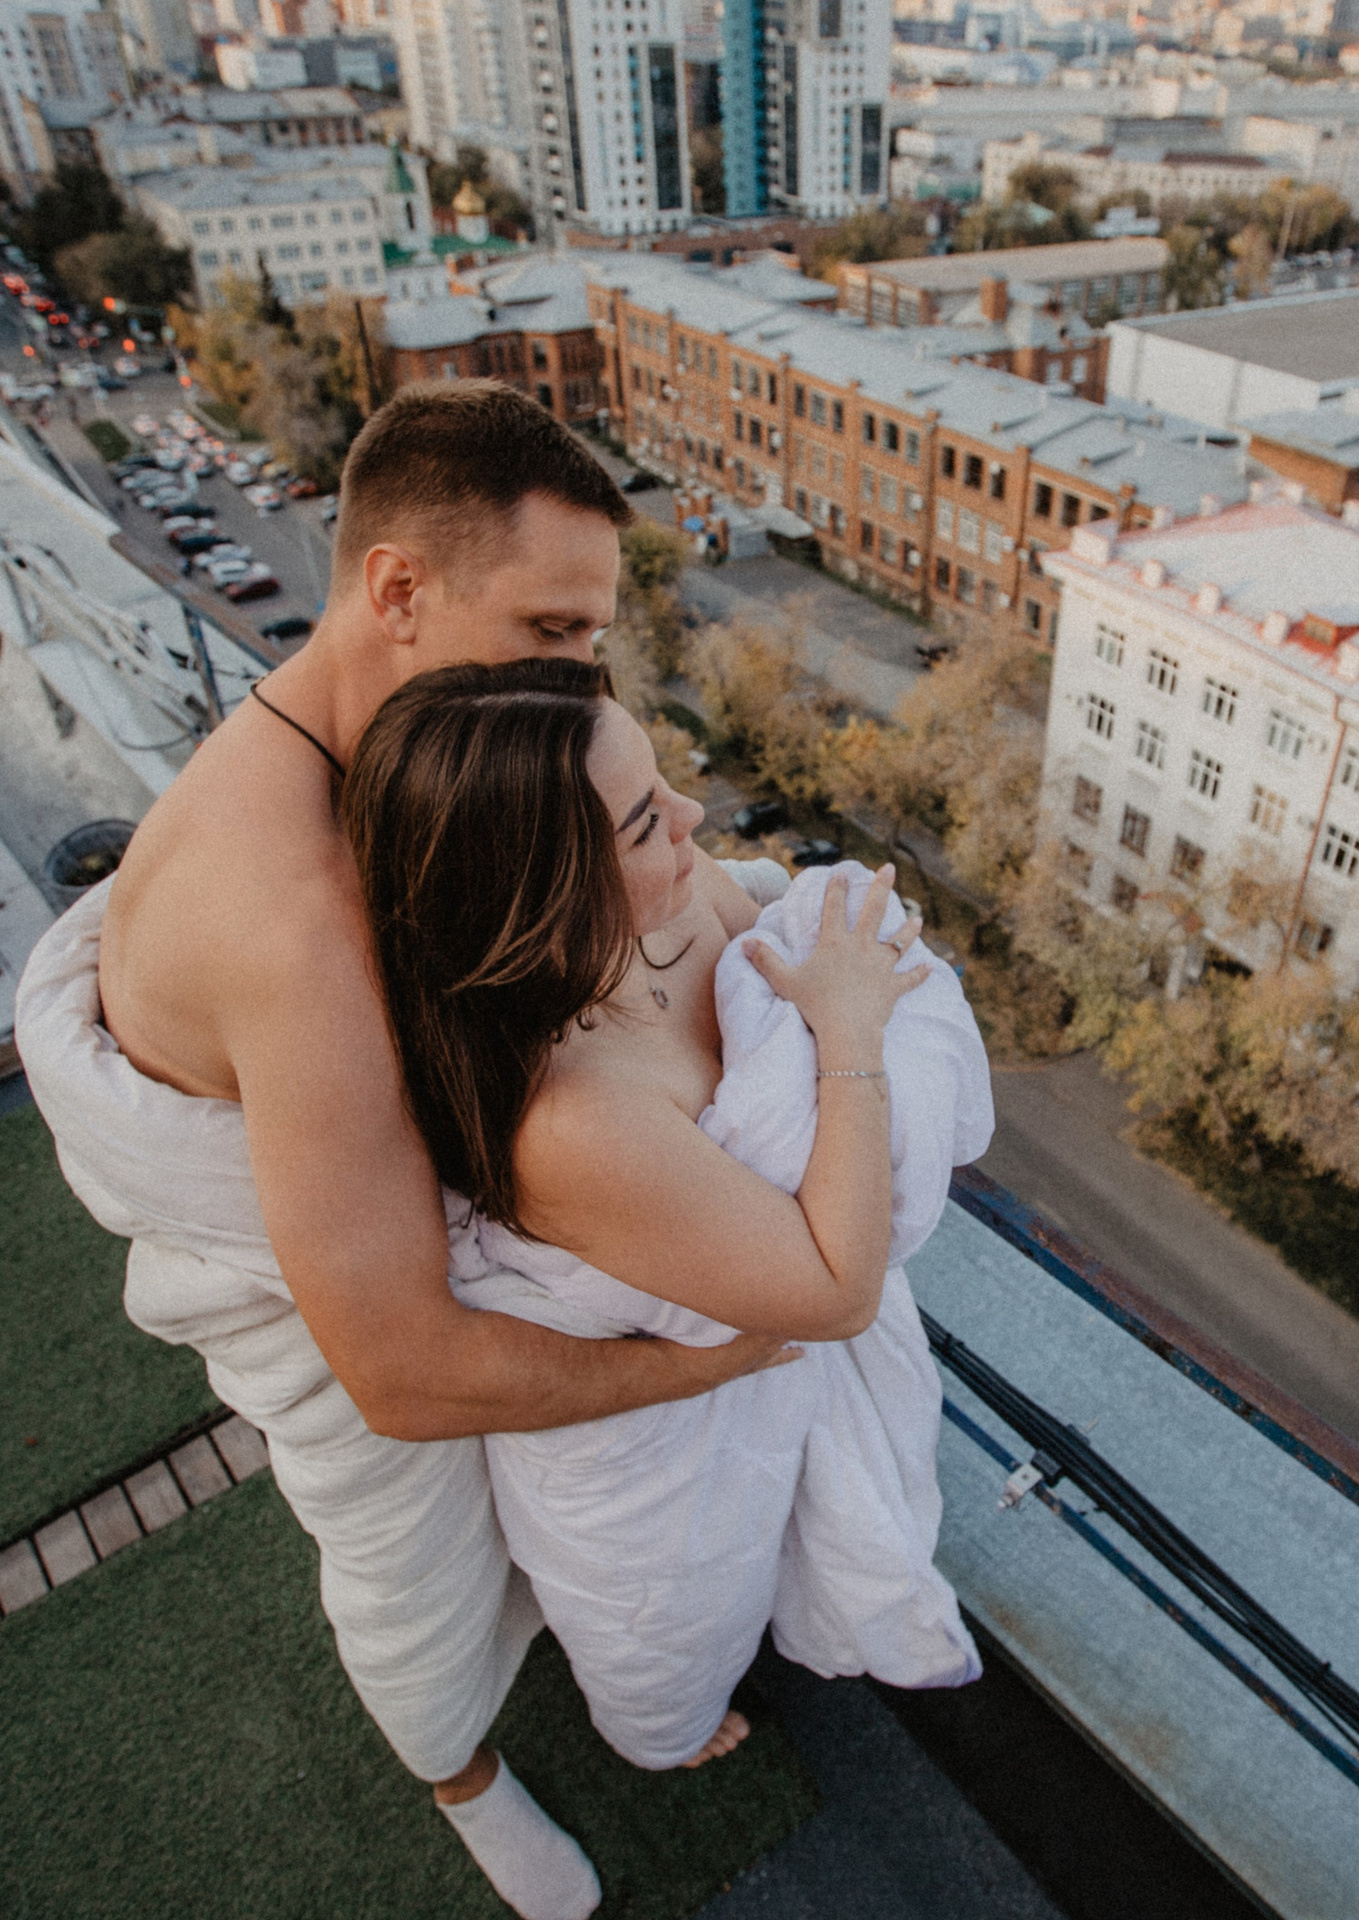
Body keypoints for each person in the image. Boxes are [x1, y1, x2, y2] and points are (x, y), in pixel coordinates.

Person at [13, 384, 788, 1920]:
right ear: (397, 591)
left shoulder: (366, 727)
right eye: (558, 631)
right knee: (414, 1583)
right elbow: (401, 1376)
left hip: (348, 1199)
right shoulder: (298, 923)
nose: (589, 673)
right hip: (329, 1316)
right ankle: (459, 1779)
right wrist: (716, 1358)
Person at [343, 660, 989, 1771]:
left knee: (747, 1563)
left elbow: (778, 960)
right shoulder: (572, 1119)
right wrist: (852, 1033)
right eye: (648, 819)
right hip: (648, 1453)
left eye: (663, 784)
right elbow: (835, 1291)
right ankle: (659, 1737)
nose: (696, 822)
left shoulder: (677, 897)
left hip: (755, 1353)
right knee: (668, 1622)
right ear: (541, 893)